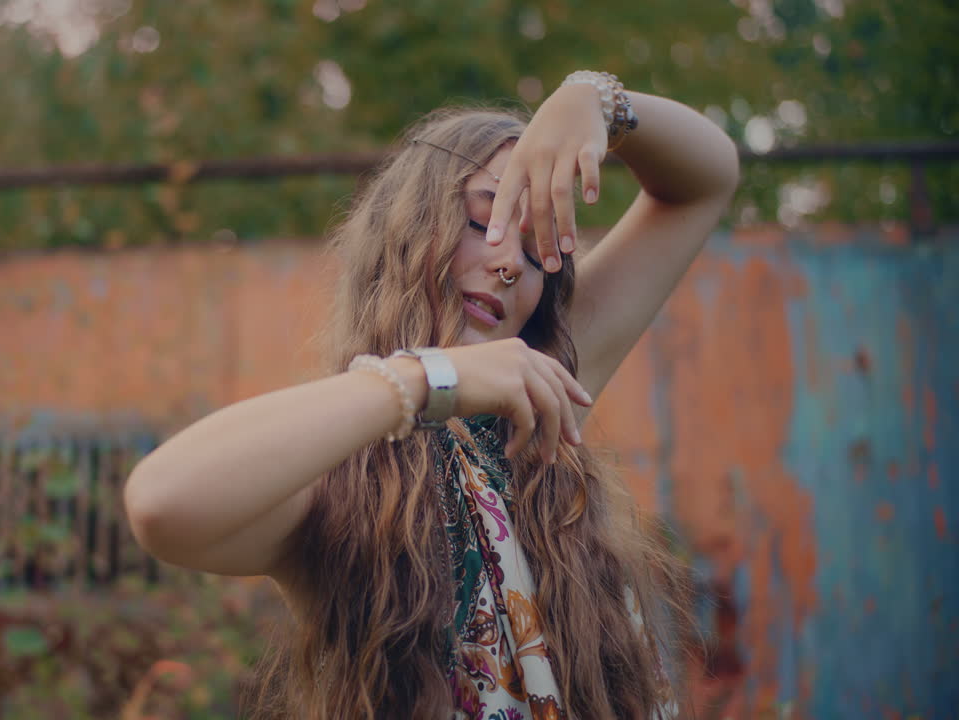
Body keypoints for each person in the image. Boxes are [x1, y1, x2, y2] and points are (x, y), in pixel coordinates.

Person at [125, 70, 740, 719]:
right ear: (408, 232)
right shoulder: (347, 470)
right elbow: (162, 501)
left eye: (538, 251)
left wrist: (599, 103)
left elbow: (706, 180)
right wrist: (430, 380)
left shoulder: (543, 397)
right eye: (484, 221)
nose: (510, 264)